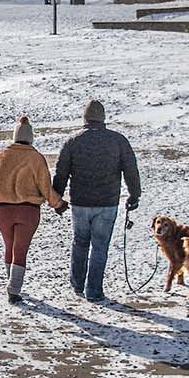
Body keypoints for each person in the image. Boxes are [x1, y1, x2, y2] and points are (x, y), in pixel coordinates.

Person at [52, 99, 141, 304]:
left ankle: (77, 283)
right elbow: (130, 170)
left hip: (80, 203)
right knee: (100, 246)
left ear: (85, 118)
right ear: (103, 119)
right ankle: (94, 290)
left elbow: (61, 172)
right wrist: (134, 195)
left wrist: (57, 198)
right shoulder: (118, 140)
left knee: (80, 242)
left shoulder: (73, 141)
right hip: (107, 203)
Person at [0, 116, 64, 304]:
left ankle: (12, 283)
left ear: (15, 136)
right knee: (20, 250)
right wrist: (58, 204)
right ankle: (14, 290)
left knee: (9, 247)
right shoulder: (36, 158)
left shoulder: (0, 156)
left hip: (3, 211)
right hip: (28, 211)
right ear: (31, 138)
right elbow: (45, 187)